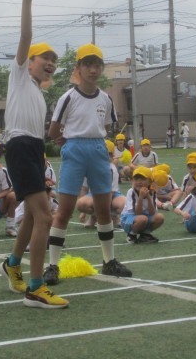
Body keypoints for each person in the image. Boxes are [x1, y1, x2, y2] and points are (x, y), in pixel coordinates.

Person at [0, 0, 68, 309]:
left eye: (54, 60)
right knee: (44, 217)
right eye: (44, 58)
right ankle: (36, 288)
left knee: (31, 215)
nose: (50, 63)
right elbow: (25, 37)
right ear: (30, 61)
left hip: (32, 149)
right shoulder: (19, 77)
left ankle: (13, 265)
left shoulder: (39, 93)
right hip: (19, 147)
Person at [44, 42, 132, 287]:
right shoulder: (68, 97)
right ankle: (52, 265)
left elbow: (108, 127)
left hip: (98, 149)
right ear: (79, 68)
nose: (93, 70)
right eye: (88, 65)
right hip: (74, 150)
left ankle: (109, 261)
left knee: (104, 210)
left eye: (97, 65)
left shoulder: (106, 98)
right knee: (64, 211)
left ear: (101, 68)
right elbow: (53, 130)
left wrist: (94, 142)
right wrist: (67, 141)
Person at [76, 140, 124, 229]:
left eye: (109, 154)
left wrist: (106, 217)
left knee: (124, 205)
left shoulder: (112, 169)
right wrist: (83, 213)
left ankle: (113, 216)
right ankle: (94, 217)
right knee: (80, 204)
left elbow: (110, 193)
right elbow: (84, 189)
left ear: (112, 156)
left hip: (112, 195)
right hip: (94, 194)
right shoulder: (89, 167)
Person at [121, 166, 164, 243]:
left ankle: (145, 235)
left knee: (160, 217)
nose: (139, 182)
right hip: (128, 219)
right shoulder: (131, 192)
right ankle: (131, 235)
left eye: (142, 179)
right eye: (136, 179)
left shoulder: (152, 192)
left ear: (149, 181)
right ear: (132, 181)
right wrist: (140, 197)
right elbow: (137, 213)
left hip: (144, 217)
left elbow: (152, 212)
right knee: (142, 218)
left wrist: (148, 197)